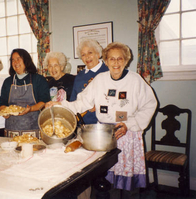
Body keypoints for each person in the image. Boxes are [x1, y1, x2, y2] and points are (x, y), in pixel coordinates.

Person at [46, 42, 157, 195]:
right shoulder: (100, 80)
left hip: (128, 134)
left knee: (127, 187)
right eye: (112, 59)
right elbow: (82, 102)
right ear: (106, 61)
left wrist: (130, 124)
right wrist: (60, 105)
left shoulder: (135, 80)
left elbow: (150, 104)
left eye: (120, 59)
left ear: (126, 60)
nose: (116, 63)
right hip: (104, 135)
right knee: (105, 183)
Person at [0, 48, 50, 138]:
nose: (15, 62)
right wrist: (4, 111)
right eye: (13, 60)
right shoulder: (8, 81)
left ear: (26, 60)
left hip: (33, 129)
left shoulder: (38, 79)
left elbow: (43, 101)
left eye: (18, 59)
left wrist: (30, 109)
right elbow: (2, 102)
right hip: (12, 129)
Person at [70, 38, 108, 125]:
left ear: (98, 54)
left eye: (90, 53)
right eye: (83, 55)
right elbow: (73, 100)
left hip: (104, 124)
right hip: (83, 124)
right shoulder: (79, 76)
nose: (87, 57)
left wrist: (98, 105)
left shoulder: (107, 71)